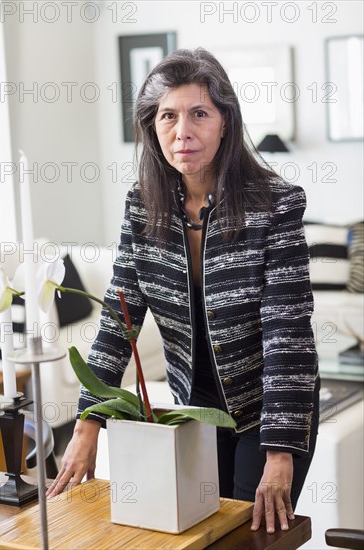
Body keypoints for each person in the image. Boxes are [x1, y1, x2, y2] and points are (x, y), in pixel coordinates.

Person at [47, 48, 320, 534]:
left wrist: (281, 453)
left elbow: (288, 333)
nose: (182, 131)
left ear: (224, 122)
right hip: (194, 412)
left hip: (266, 410)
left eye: (199, 114)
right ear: (152, 125)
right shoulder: (141, 206)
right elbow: (118, 319)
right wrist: (89, 423)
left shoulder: (276, 203)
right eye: (168, 116)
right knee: (196, 533)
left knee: (248, 536)